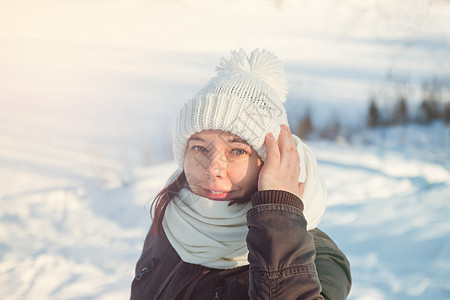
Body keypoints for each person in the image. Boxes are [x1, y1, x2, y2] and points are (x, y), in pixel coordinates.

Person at [130, 49, 351, 299]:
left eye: (237, 150)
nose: (213, 168)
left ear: (273, 160)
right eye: (199, 148)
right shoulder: (174, 221)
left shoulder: (317, 259)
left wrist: (278, 216)